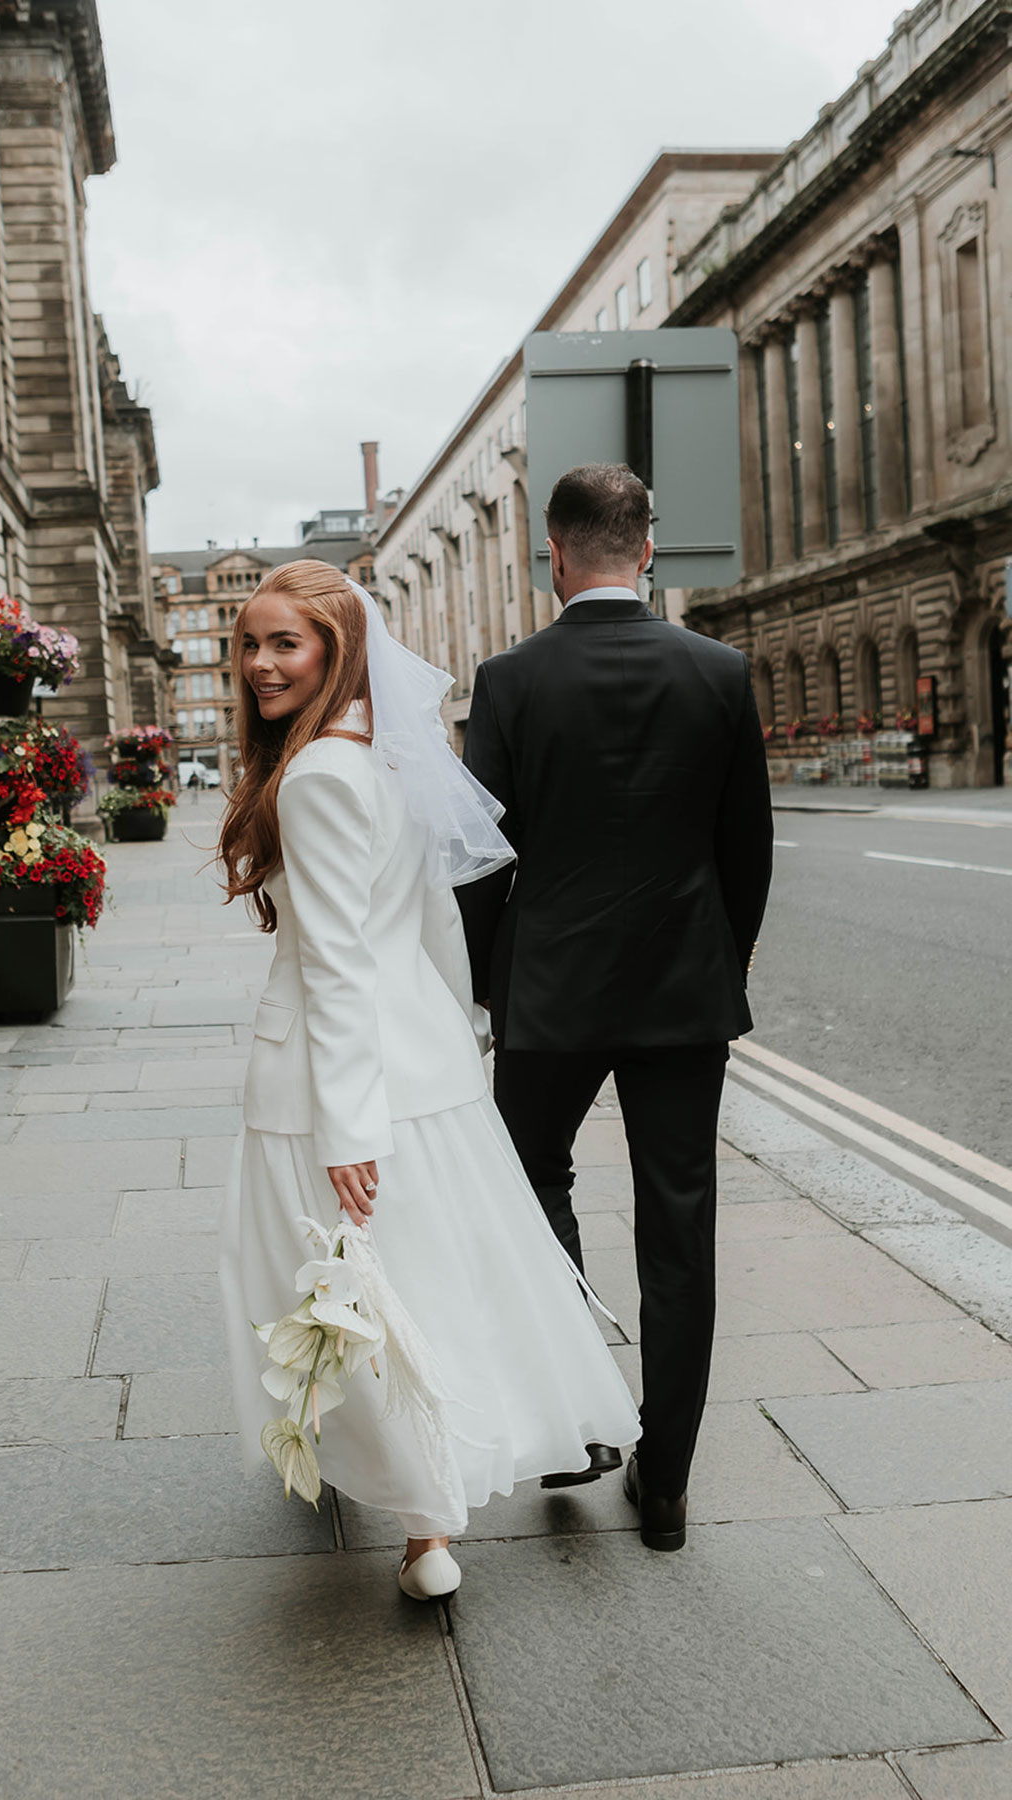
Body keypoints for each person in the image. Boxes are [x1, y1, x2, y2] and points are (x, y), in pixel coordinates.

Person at [217, 558, 639, 1605]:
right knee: (429, 1286)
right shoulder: (389, 757)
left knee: (332, 1291)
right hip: (427, 1066)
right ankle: (420, 1521)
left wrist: (348, 1127)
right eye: (249, 643)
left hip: (332, 1080)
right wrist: (456, 1042)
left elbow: (337, 967)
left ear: (337, 650)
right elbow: (439, 925)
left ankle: (421, 1529)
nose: (261, 664)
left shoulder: (314, 775)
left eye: (286, 643)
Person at [457, 463, 773, 1553]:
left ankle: (577, 1415)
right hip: (685, 987)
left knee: (533, 1183)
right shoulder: (720, 673)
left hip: (549, 987)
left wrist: (491, 980)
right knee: (680, 1227)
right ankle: (668, 1480)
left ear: (554, 554)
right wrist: (714, 964)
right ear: (649, 550)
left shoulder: (507, 682)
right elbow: (748, 855)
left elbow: (479, 863)